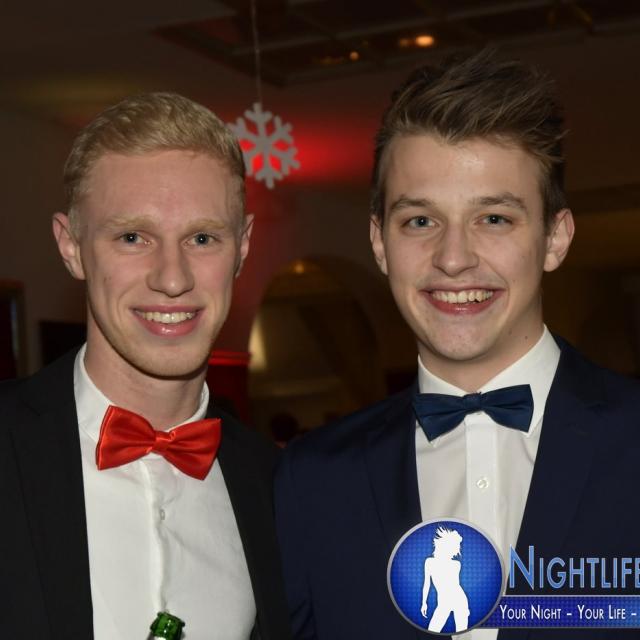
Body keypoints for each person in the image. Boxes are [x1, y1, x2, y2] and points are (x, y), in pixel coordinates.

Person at [274, 49, 640, 639]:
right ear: (380, 243)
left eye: (493, 218)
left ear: (555, 237)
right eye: (420, 221)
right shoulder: (313, 480)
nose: (452, 258)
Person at [1, 93, 291, 639]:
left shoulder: (280, 485)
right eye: (133, 237)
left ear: (243, 246)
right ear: (71, 247)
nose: (173, 278)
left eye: (202, 238)